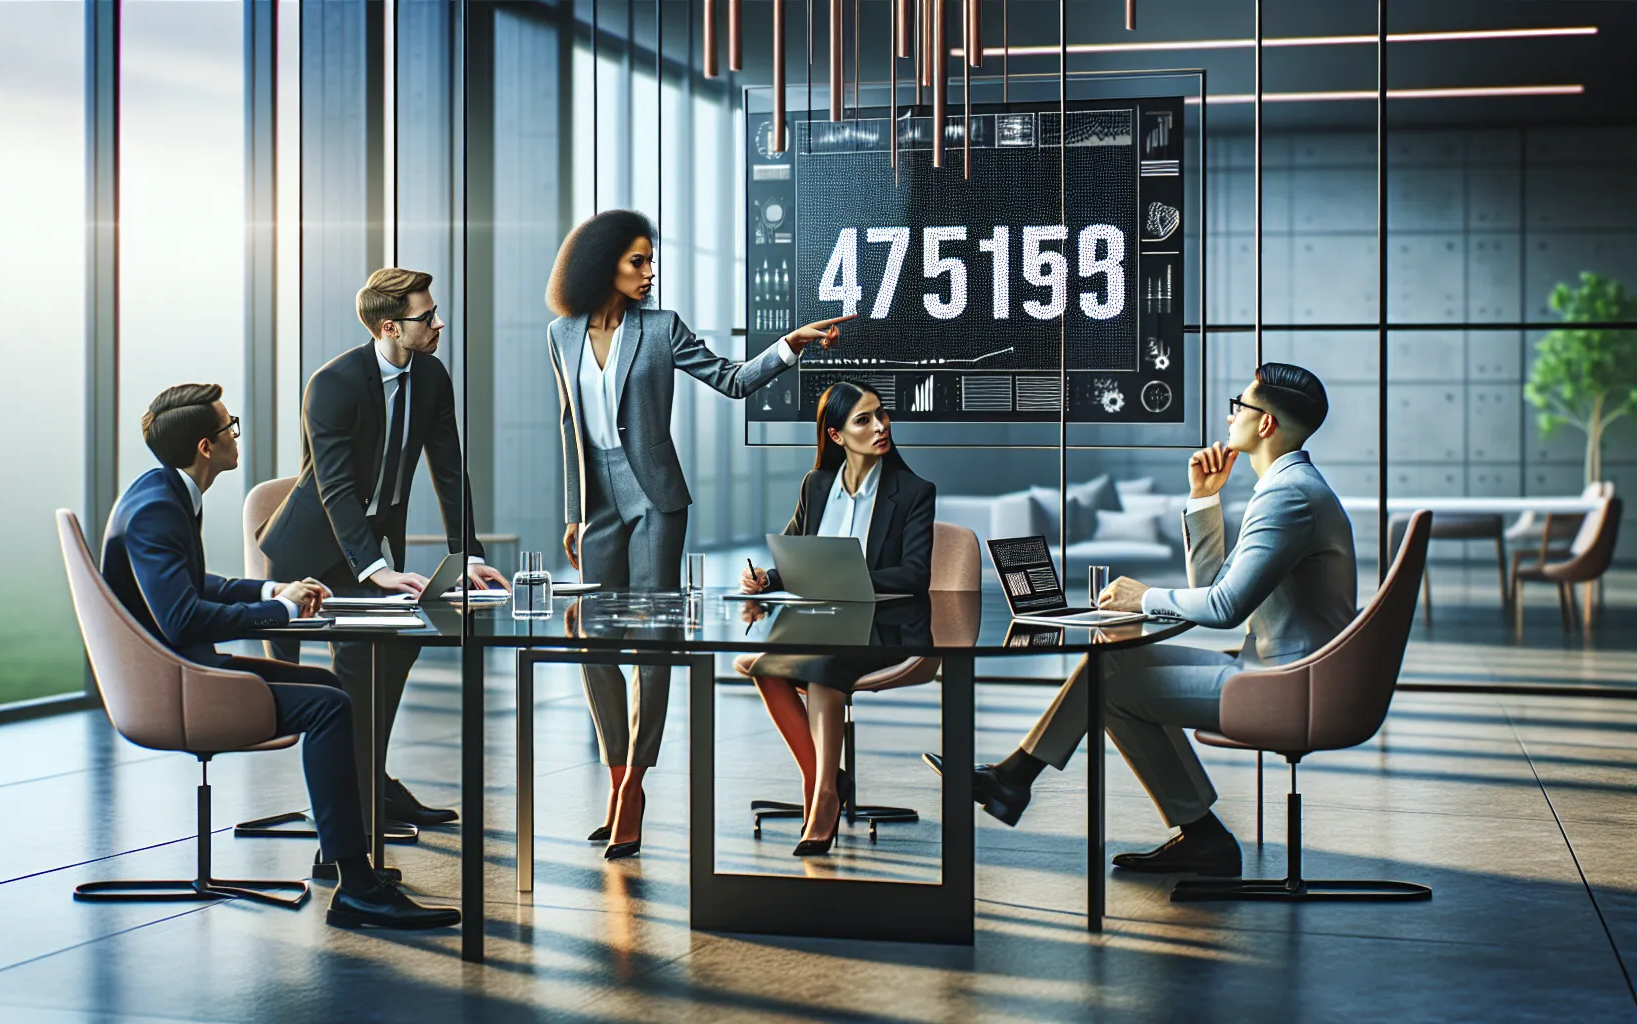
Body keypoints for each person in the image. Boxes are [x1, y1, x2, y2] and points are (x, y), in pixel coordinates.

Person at [926, 363, 1355, 876]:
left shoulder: (1287, 496)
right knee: (1111, 664)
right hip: (1281, 669)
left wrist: (1143, 597)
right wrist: (1204, 497)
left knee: (1111, 691)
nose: (1230, 416)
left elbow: (1223, 608)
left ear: (1265, 424)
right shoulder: (1289, 488)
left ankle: (1197, 834)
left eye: (1238, 406)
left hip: (1291, 684)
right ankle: (1015, 778)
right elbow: (1212, 589)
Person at [544, 209, 856, 859]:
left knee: (651, 642)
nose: (649, 272)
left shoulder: (661, 330)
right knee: (593, 643)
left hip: (656, 502)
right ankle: (617, 775)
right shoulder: (561, 334)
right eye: (637, 261)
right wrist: (574, 511)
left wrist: (789, 346)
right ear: (601, 264)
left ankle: (634, 787)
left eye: (651, 260)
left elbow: (732, 381)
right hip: (598, 505)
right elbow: (569, 426)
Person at [102, 383, 459, 929]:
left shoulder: (163, 493)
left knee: (329, 688)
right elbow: (182, 618)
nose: (235, 435)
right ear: (205, 447)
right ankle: (356, 885)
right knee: (329, 708)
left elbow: (191, 583)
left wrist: (271, 591)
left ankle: (343, 857)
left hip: (183, 671)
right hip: (174, 687)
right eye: (229, 427)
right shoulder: (157, 509)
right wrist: (282, 612)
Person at [257, 267, 509, 837]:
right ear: (390, 326)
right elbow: (337, 488)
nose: (439, 323)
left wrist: (466, 555)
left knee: (400, 645)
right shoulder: (333, 384)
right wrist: (375, 570)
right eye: (427, 316)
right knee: (362, 658)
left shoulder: (432, 375)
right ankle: (349, 825)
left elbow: (450, 470)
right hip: (312, 554)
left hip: (367, 547)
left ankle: (371, 782)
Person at [738, 381, 935, 856]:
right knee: (764, 667)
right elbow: (794, 555)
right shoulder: (817, 485)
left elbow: (915, 574)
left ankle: (825, 796)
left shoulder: (913, 492)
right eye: (864, 420)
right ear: (836, 435)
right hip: (818, 624)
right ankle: (823, 778)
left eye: (881, 414)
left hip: (884, 628)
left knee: (824, 665)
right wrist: (766, 578)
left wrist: (848, 575)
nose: (880, 426)